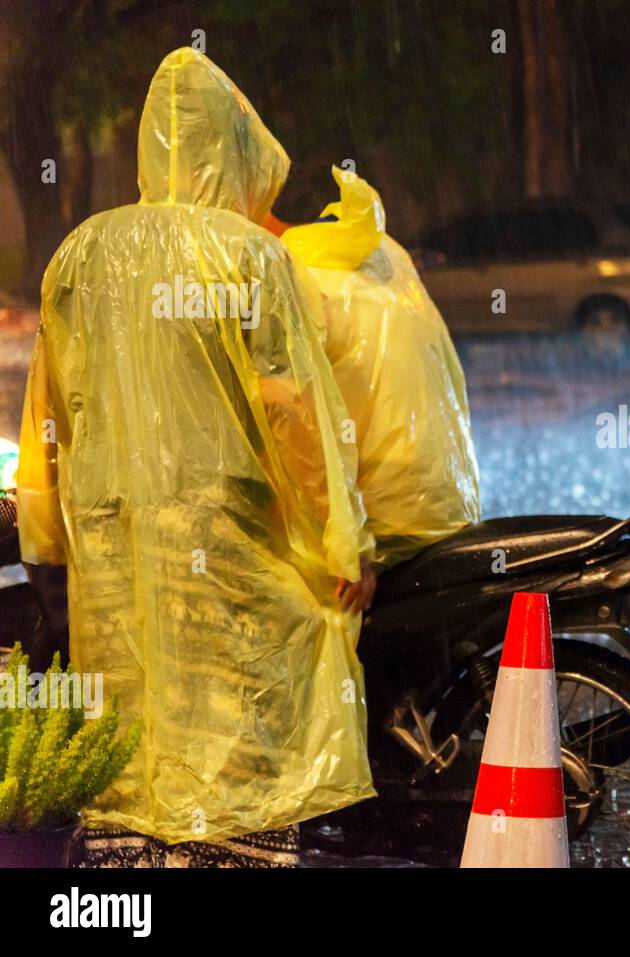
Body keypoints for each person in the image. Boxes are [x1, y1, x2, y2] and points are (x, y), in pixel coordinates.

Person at [16, 48, 377, 867]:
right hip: (223, 532)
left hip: (114, 539)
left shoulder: (80, 252)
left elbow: (47, 406)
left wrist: (44, 535)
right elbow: (292, 413)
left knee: (134, 740)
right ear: (235, 151)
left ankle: (130, 882)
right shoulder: (248, 256)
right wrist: (340, 540)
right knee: (234, 733)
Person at [279, 167, 480, 568]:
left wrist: (348, 543)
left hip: (382, 523)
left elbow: (291, 418)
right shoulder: (390, 254)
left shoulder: (294, 271)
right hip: (449, 508)